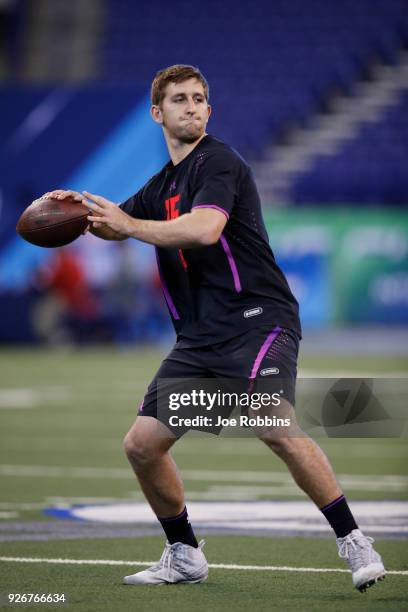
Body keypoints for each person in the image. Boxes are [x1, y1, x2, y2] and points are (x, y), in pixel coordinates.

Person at [44, 64, 385, 591]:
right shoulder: (162, 184)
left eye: (200, 98)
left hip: (258, 321)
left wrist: (129, 225)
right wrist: (79, 210)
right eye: (179, 99)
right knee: (141, 445)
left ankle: (353, 539)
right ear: (158, 113)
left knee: (272, 422)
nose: (192, 106)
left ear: (209, 109)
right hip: (201, 339)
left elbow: (204, 230)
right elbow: (118, 223)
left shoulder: (218, 162)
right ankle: (183, 553)